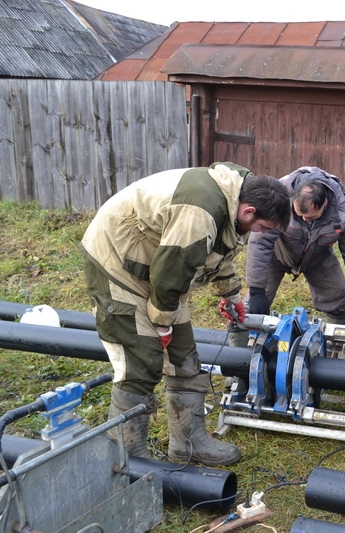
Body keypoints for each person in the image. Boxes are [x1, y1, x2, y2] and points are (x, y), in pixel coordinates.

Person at [80, 162, 290, 466]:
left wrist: (231, 295)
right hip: (118, 265)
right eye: (263, 228)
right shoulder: (200, 213)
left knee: (183, 357)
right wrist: (162, 326)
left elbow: (220, 251)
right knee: (141, 359)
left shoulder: (233, 201)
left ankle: (188, 442)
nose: (261, 233)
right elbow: (170, 275)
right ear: (250, 212)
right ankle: (126, 457)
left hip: (157, 267)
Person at [245, 166, 345, 326]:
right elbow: (260, 242)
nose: (304, 220)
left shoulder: (343, 213)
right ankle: (239, 344)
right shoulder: (278, 201)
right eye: (299, 215)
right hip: (277, 255)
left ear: (324, 203)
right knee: (252, 308)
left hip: (318, 257)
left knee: (337, 299)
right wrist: (256, 290)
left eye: (310, 217)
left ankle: (337, 343)